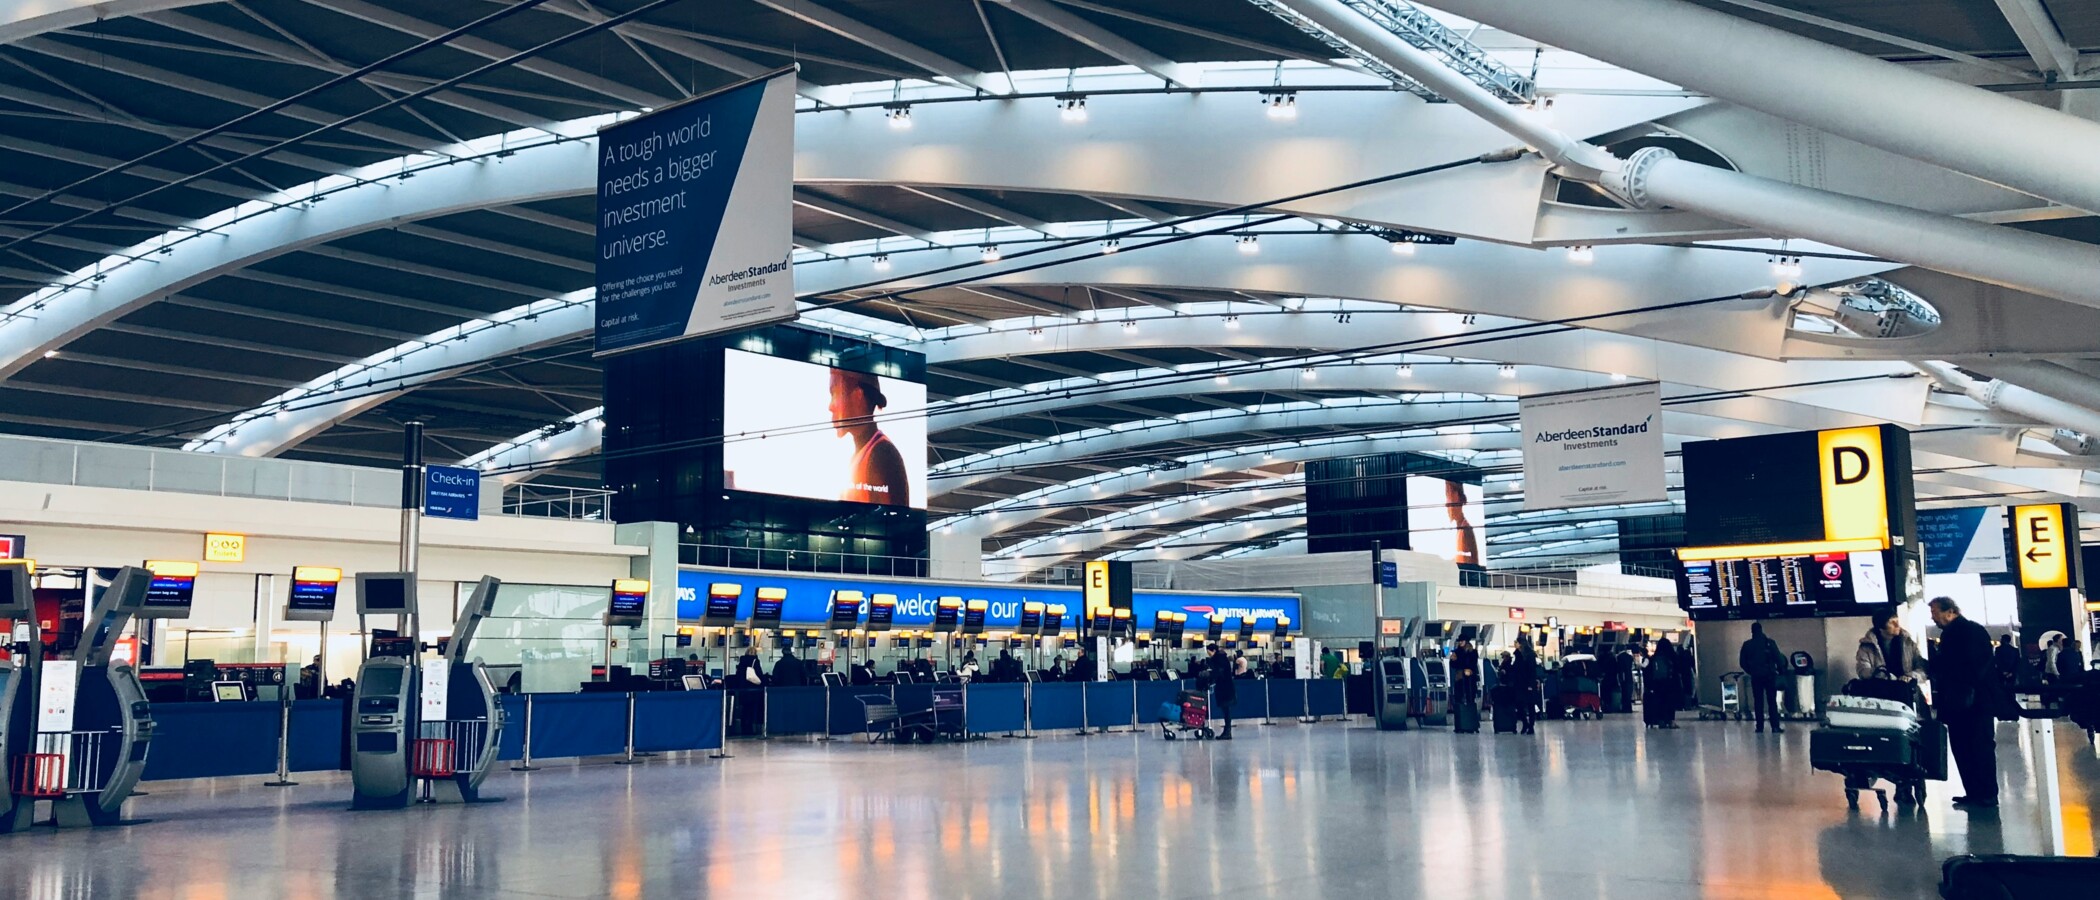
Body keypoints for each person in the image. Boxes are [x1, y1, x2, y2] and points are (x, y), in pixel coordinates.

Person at [1929, 596, 1999, 808]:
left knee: (1977, 747)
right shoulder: (1957, 633)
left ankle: (1986, 793)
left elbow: (1973, 667)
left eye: (1935, 613)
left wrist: (1944, 672)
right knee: (1965, 747)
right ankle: (1975, 792)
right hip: (1963, 702)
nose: (1933, 618)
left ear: (1950, 612)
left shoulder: (1968, 631)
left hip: (1973, 702)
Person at [829, 368, 910, 506]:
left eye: (835, 393)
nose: (830, 406)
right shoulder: (863, 454)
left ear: (858, 396)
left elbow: (889, 523)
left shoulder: (882, 454)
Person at [1738, 622, 1787, 734]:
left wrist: (1751, 671)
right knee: (1771, 702)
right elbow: (1779, 659)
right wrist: (1780, 670)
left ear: (1752, 631)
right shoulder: (1769, 643)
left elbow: (1742, 662)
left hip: (1756, 677)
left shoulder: (1747, 645)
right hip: (1769, 675)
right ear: (1761, 630)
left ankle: (1759, 727)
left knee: (1758, 702)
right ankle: (1775, 726)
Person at [1855, 610, 1926, 684]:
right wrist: (1884, 675)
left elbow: (1922, 667)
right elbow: (1863, 670)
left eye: (1897, 621)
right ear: (1881, 628)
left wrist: (1910, 677)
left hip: (1906, 689)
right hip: (1881, 691)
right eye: (1892, 622)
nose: (1897, 625)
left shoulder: (1908, 642)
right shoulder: (1867, 646)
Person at [1646, 638, 1683, 729]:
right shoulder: (1672, 657)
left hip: (1658, 684)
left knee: (1660, 702)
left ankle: (1661, 721)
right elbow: (1678, 669)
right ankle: (1671, 721)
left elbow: (1649, 672)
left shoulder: (1654, 658)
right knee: (1670, 702)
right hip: (1670, 684)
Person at [1508, 635, 1540, 735]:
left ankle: (1531, 726)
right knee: (1519, 704)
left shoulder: (1530, 655)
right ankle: (1525, 723)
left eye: (1516, 642)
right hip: (1519, 684)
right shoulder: (1517, 655)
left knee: (1530, 705)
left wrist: (1531, 684)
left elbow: (1532, 671)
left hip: (1528, 683)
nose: (1515, 644)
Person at [1205, 643, 1236, 740]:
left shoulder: (1218, 659)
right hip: (1226, 687)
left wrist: (1210, 678)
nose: (1208, 654)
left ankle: (1227, 732)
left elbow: (1218, 672)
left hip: (1224, 688)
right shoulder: (1222, 658)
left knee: (1226, 710)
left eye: (1208, 651)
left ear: (1213, 650)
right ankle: (1227, 731)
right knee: (1226, 710)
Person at [1451, 637, 1481, 709]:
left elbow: (1473, 663)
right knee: (1459, 694)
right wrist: (1453, 660)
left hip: (1469, 677)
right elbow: (1453, 665)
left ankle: (1469, 710)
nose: (1460, 642)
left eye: (1462, 641)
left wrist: (1467, 669)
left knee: (1470, 694)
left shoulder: (1473, 652)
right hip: (1460, 677)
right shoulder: (1457, 652)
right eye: (1459, 641)